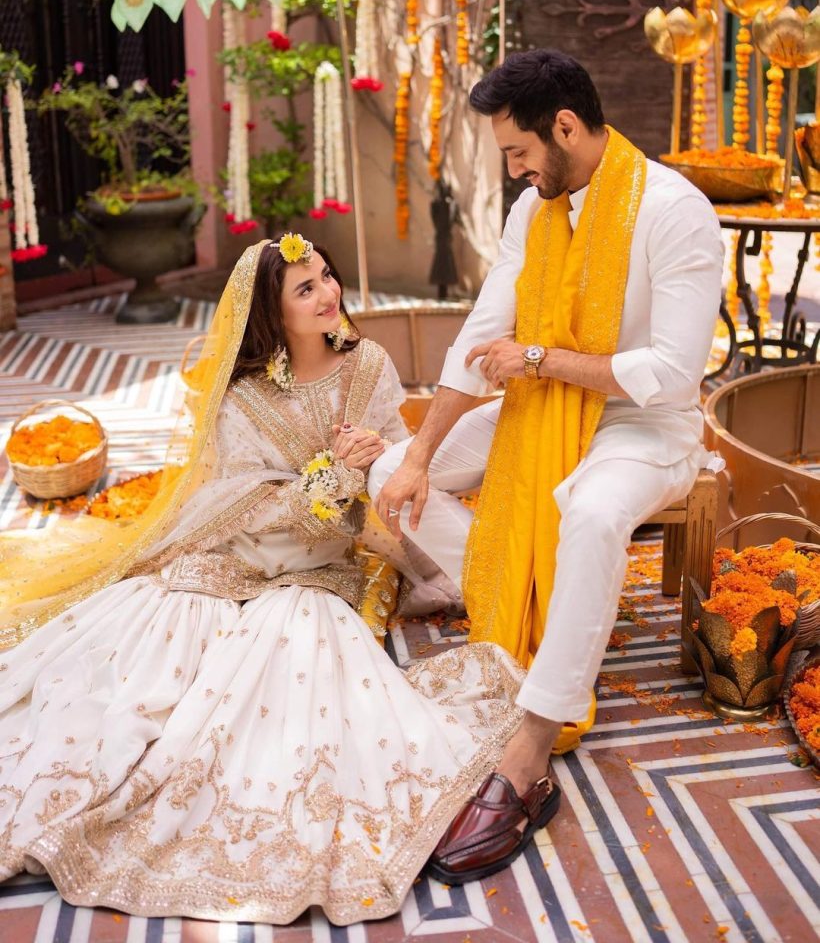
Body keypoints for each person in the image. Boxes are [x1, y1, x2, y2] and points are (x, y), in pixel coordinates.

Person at [0, 235, 524, 925]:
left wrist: (358, 489)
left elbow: (379, 482)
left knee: (282, 685)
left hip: (317, 568)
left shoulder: (368, 364)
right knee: (146, 655)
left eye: (327, 277)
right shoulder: (243, 398)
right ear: (272, 315)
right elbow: (241, 509)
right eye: (305, 289)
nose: (328, 293)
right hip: (244, 554)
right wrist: (328, 473)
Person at [371, 49, 725, 884]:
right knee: (386, 463)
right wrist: (420, 457)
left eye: (519, 152)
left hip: (644, 426)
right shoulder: (537, 212)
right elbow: (480, 333)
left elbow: (675, 373)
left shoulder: (675, 212)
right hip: (538, 408)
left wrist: (539, 358)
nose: (516, 171)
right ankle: (503, 584)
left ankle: (528, 758)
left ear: (565, 126)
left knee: (595, 516)